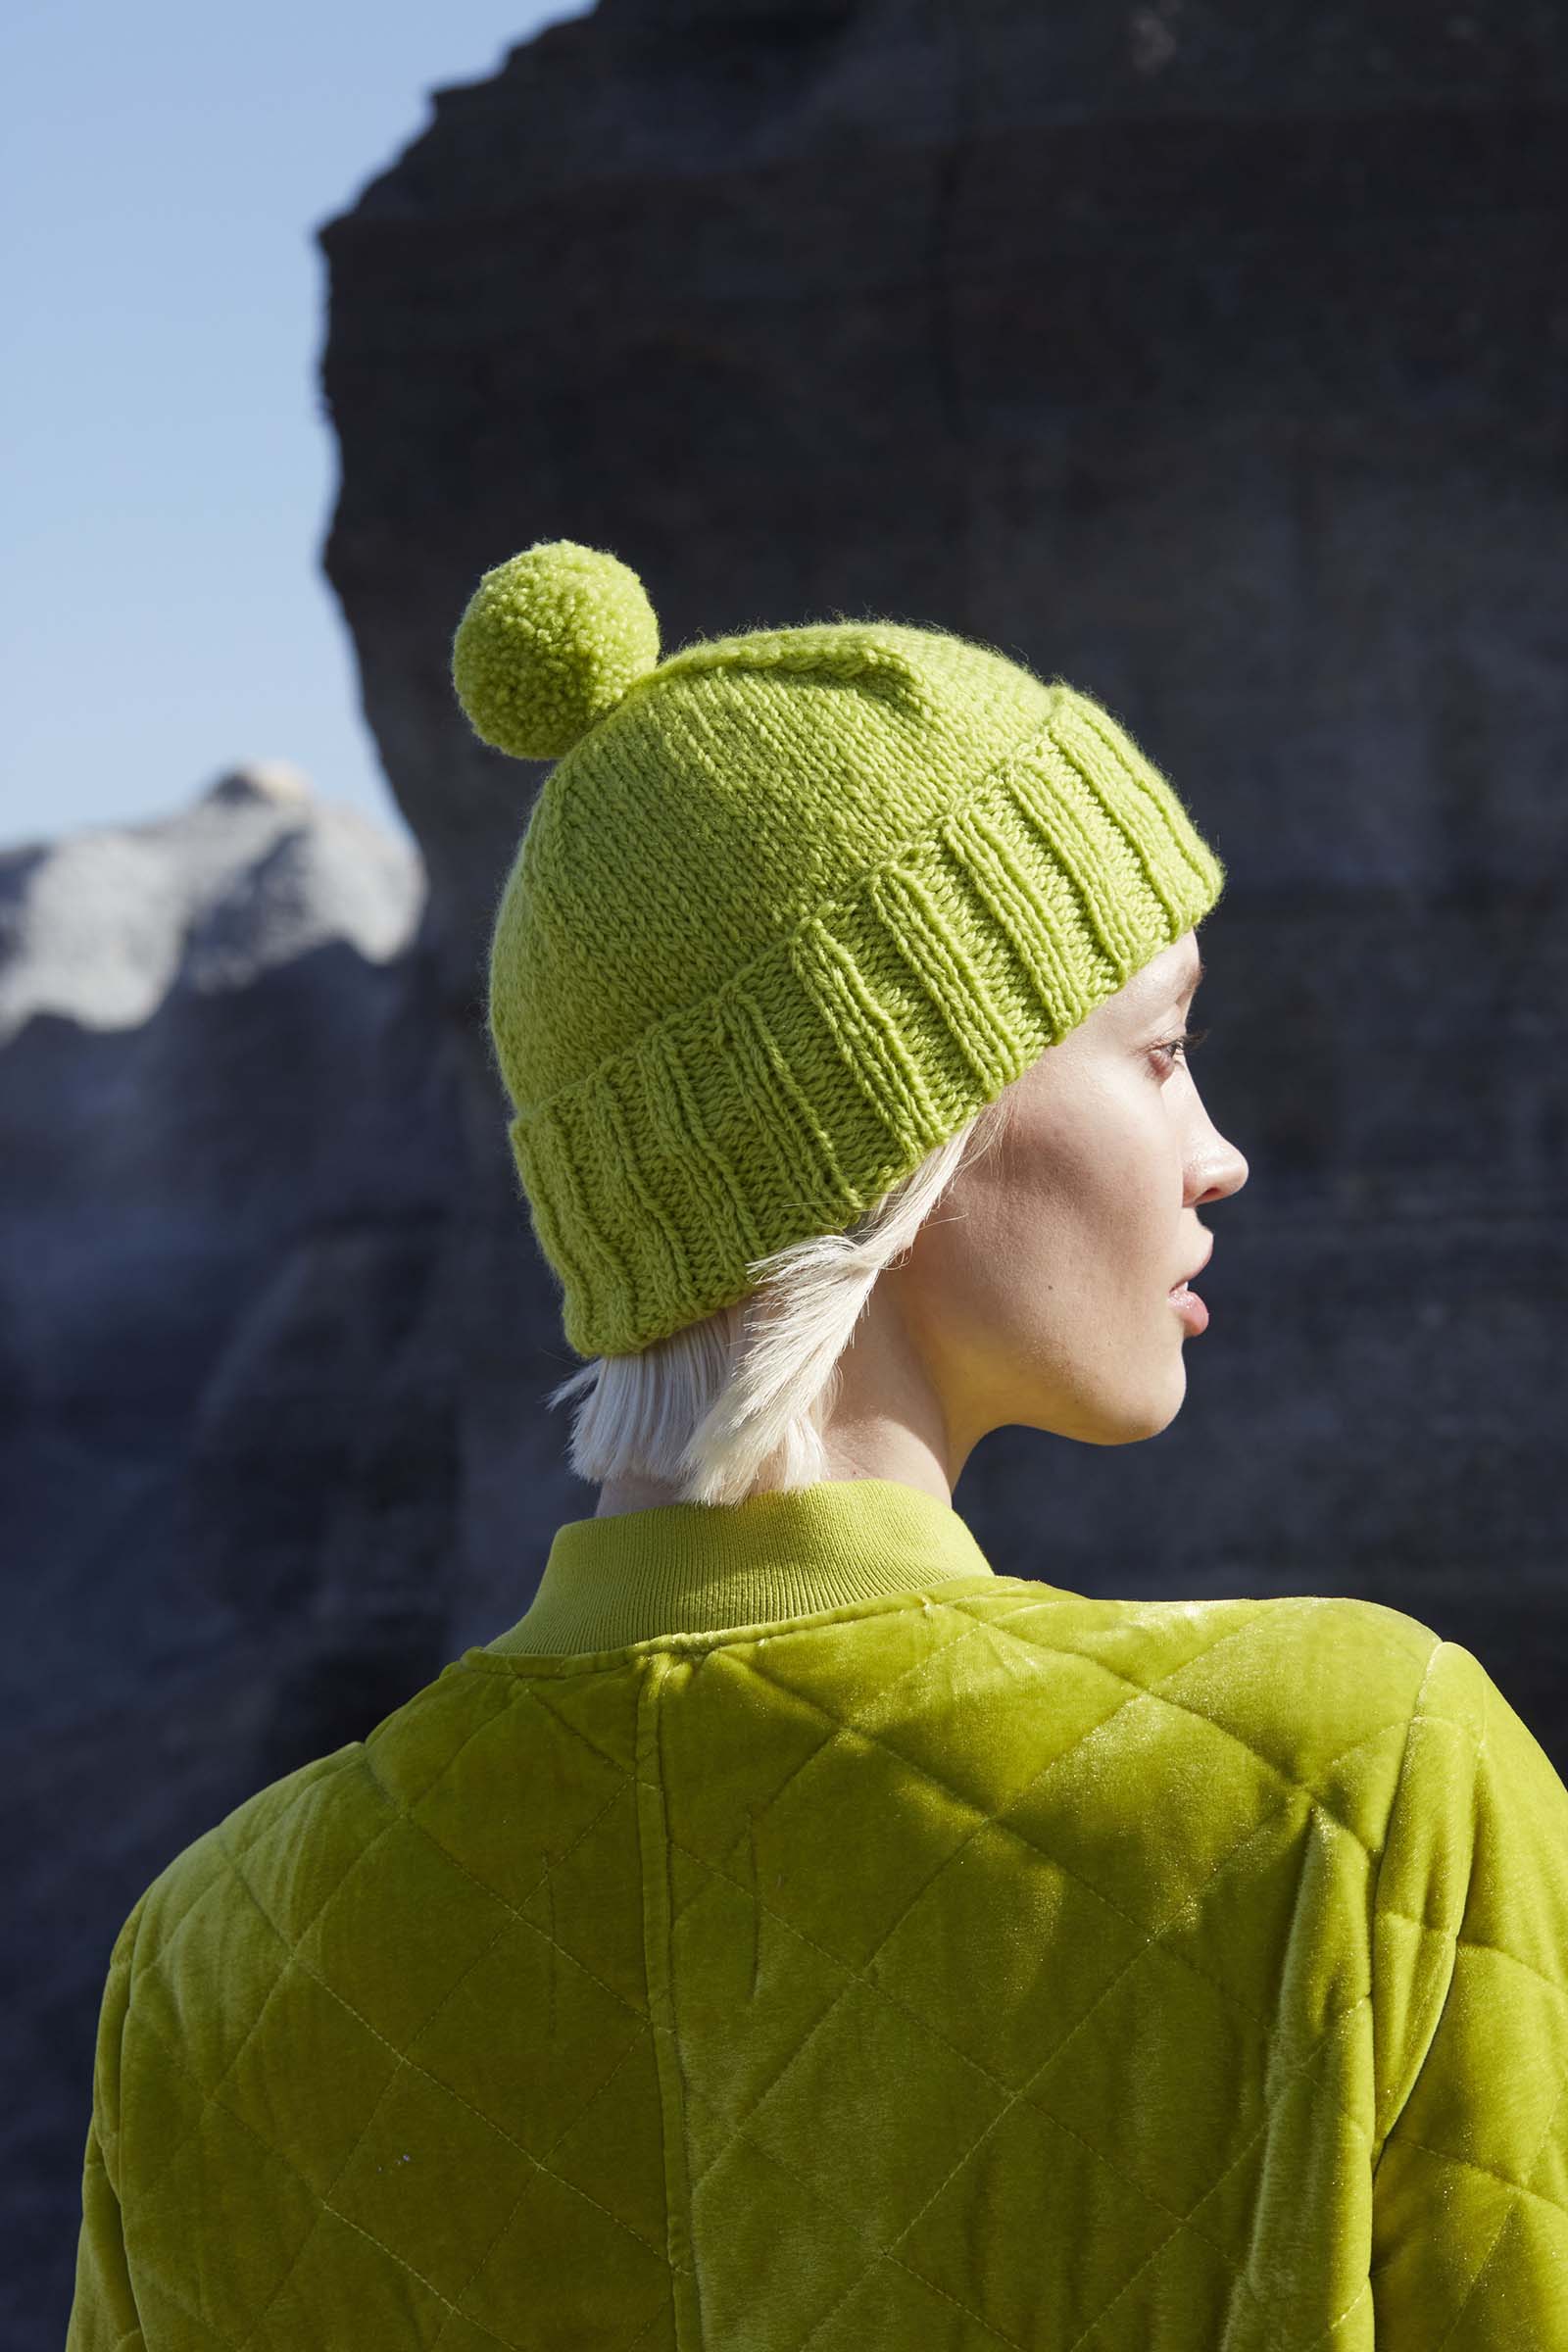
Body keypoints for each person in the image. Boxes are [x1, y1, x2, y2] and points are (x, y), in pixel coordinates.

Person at [68, 541, 1568, 2347]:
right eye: (1163, 1048)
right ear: (908, 1112)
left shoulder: (210, 1966)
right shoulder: (1360, 1793)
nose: (1218, 1151)